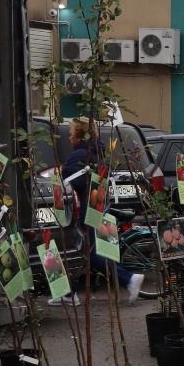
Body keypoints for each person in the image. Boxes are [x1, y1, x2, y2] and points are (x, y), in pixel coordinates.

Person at [62, 118, 143, 306]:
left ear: (79, 135)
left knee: (90, 253)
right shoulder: (96, 152)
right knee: (85, 251)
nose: (69, 137)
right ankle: (68, 292)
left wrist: (63, 175)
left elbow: (74, 183)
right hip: (98, 206)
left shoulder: (79, 155)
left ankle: (129, 278)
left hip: (85, 209)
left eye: (71, 133)